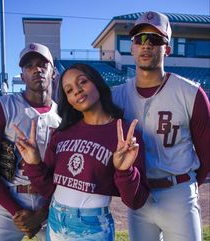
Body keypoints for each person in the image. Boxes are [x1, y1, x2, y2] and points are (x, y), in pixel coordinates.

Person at [13, 63, 150, 241]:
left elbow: (136, 201)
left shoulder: (125, 135)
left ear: (97, 83)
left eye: (82, 82)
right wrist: (34, 163)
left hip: (91, 226)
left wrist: (125, 171)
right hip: (55, 219)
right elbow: (47, 189)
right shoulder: (62, 134)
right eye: (69, 90)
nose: (76, 91)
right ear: (68, 100)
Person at [112, 11, 210, 241]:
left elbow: (207, 155)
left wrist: (187, 185)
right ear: (132, 47)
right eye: (140, 39)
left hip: (178, 192)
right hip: (139, 195)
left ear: (167, 48)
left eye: (155, 39)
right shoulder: (115, 96)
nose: (146, 45)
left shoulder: (191, 93)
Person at [0, 42, 61, 241]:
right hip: (9, 201)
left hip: (48, 204)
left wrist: (42, 212)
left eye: (42, 64)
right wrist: (16, 211)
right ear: (22, 75)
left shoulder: (62, 117)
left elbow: (63, 174)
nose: (36, 69)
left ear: (53, 72)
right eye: (29, 66)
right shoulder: (3, 107)